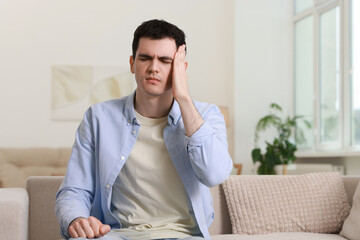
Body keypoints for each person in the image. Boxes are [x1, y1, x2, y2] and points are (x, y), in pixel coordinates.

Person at [55, 19, 233, 240]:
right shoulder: (98, 118)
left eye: (165, 60)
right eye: (145, 58)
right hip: (118, 235)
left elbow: (214, 174)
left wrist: (184, 99)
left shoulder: (206, 116)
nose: (153, 68)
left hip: (185, 236)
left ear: (181, 68)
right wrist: (76, 220)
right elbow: (74, 190)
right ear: (132, 63)